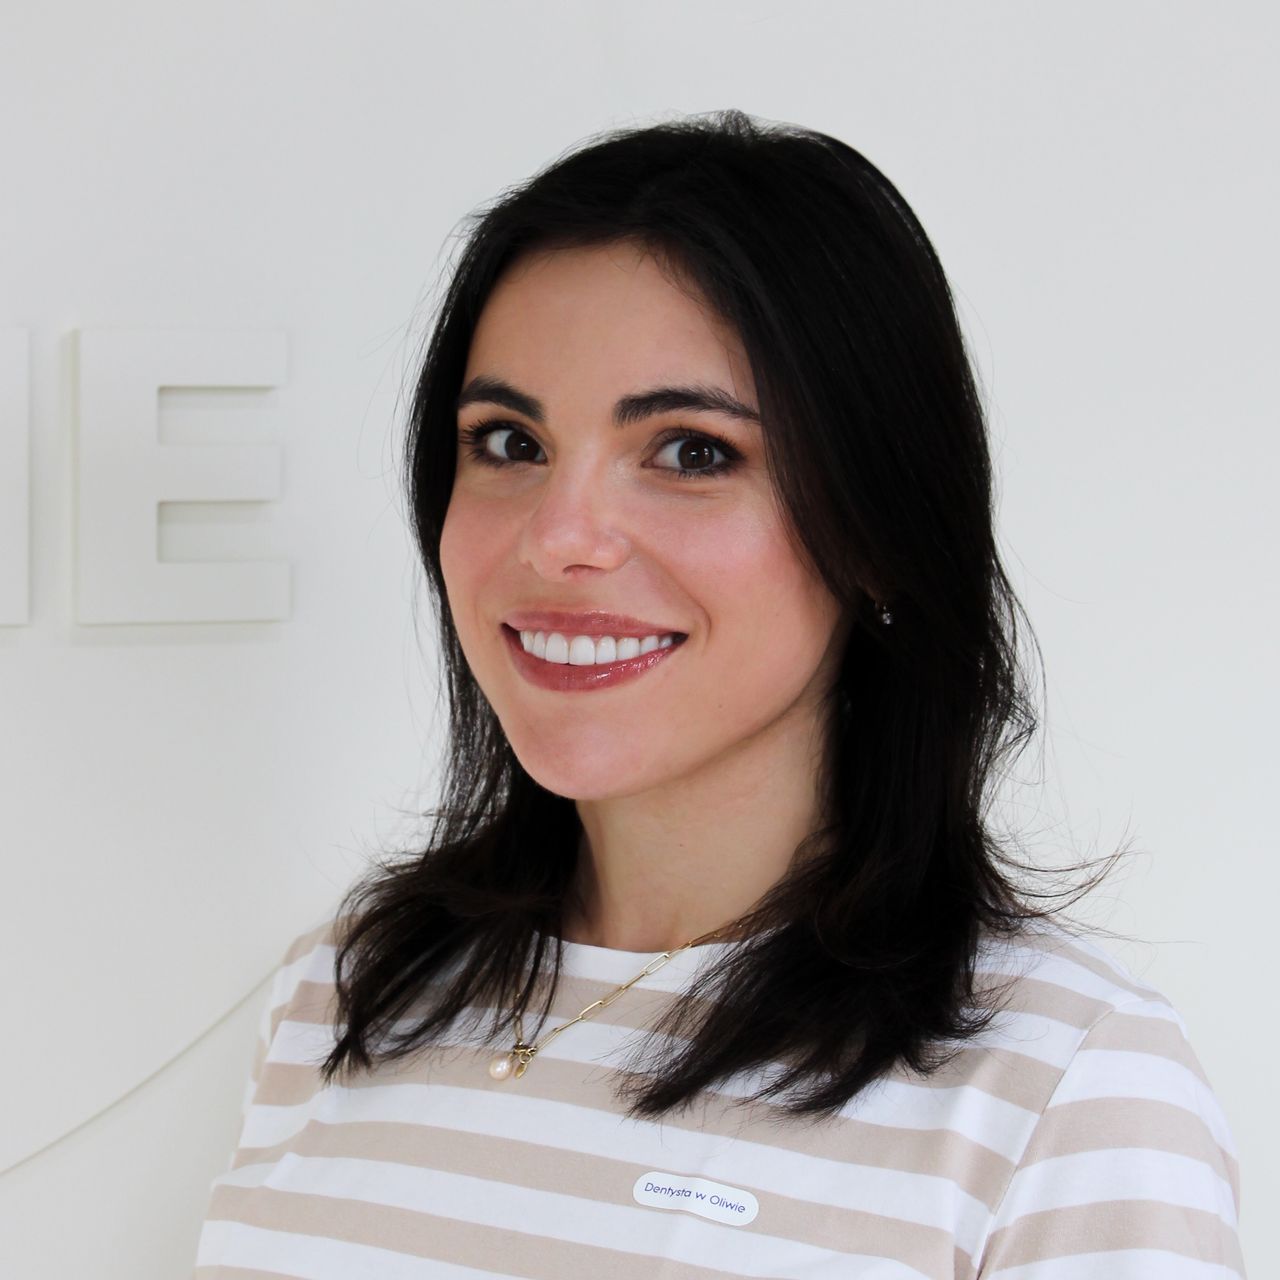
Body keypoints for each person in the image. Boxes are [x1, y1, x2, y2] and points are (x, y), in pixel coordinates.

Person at [194, 109, 1245, 1277]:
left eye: (692, 450)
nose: (558, 537)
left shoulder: (1067, 1088)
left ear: (876, 531)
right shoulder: (340, 991)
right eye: (507, 442)